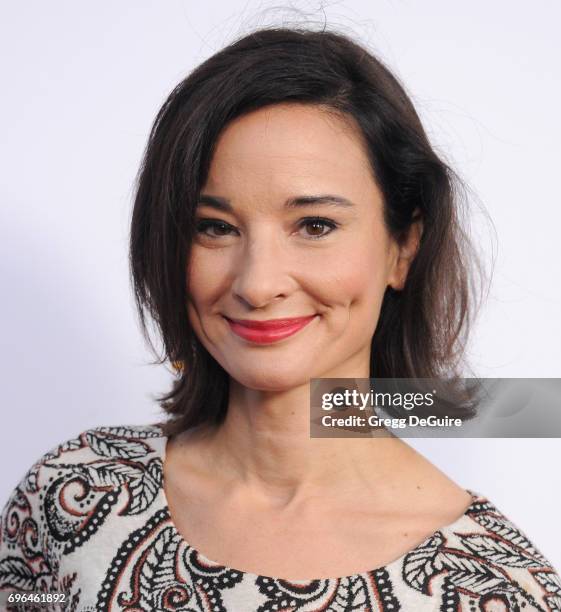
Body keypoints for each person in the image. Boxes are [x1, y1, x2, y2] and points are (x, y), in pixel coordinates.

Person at [1, 26, 559, 612]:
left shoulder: (495, 591)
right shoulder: (71, 497)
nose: (258, 283)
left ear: (403, 246)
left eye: (315, 225)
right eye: (215, 227)